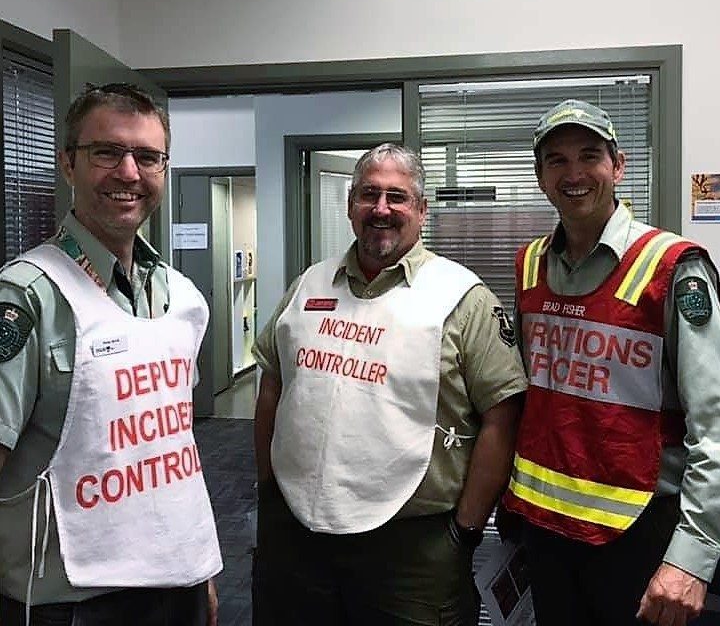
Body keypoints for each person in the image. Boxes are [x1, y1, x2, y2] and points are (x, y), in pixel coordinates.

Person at [252, 142, 528, 625]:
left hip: (412, 551)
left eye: (397, 197)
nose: (381, 209)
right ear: (351, 206)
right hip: (296, 536)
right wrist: (269, 489)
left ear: (421, 210)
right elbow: (273, 386)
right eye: (368, 195)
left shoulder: (463, 298)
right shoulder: (308, 286)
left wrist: (464, 530)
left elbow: (502, 421)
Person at [0, 83, 222, 626]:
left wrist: (202, 571)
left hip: (176, 584)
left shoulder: (182, 297)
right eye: (107, 152)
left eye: (147, 157)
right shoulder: (28, 294)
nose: (129, 173)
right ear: (68, 164)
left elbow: (170, 445)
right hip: (73, 601)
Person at [502, 99, 720, 626]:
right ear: (539, 175)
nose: (573, 173)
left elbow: (714, 424)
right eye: (556, 160)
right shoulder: (529, 261)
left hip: (639, 532)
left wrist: (691, 559)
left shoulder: (672, 267)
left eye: (589, 155)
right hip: (545, 525)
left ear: (618, 166)